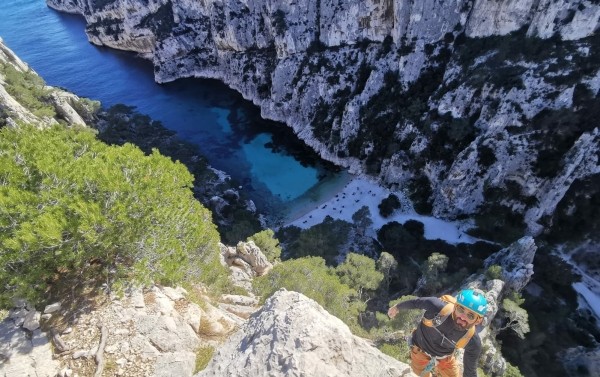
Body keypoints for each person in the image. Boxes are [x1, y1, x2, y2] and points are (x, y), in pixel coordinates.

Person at [387, 289, 488, 377]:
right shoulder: (436, 307)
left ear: (478, 321)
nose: (462, 317)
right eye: (460, 309)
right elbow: (416, 302)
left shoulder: (472, 341)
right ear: (455, 306)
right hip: (420, 350)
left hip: (445, 358)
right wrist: (397, 307)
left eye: (470, 316)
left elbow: (469, 372)